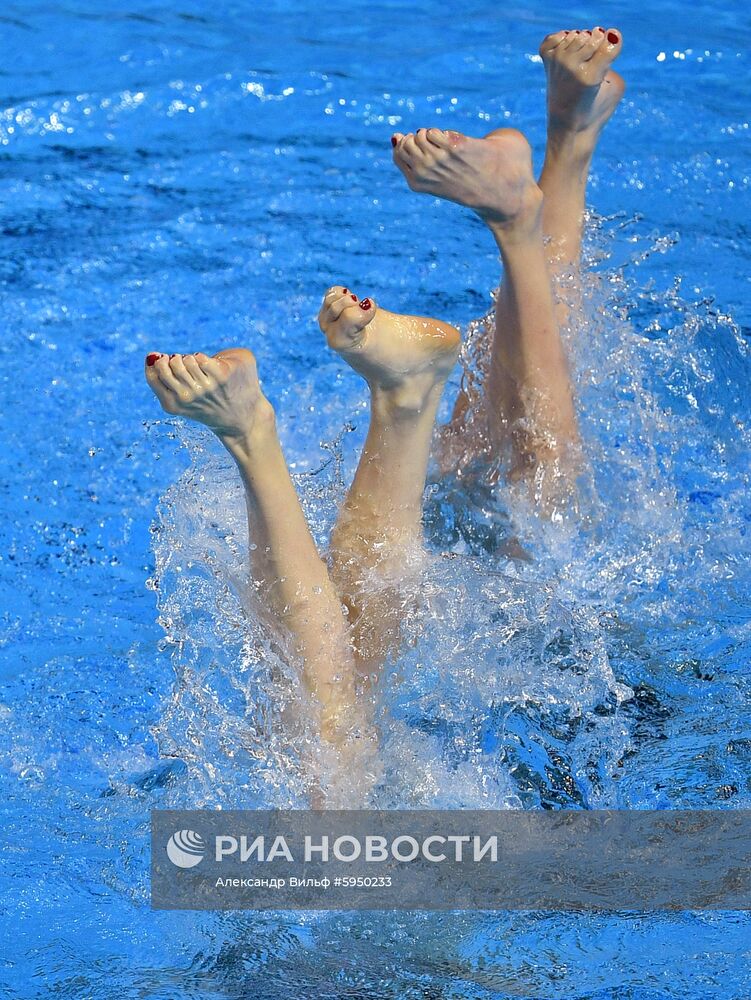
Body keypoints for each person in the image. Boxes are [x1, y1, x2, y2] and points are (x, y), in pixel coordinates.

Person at [143, 26, 624, 802]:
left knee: (498, 484)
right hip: (569, 699)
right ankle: (532, 196)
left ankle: (553, 165)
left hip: (538, 718)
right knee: (530, 507)